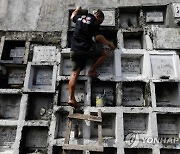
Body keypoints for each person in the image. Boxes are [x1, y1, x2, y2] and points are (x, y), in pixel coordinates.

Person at [68, 7, 116, 108]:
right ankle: (91, 71)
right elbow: (98, 37)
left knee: (74, 73)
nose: (100, 23)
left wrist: (77, 9)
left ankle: (71, 98)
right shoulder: (94, 21)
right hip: (86, 49)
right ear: (98, 16)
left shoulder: (80, 18)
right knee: (105, 53)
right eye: (101, 21)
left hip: (74, 50)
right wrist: (109, 43)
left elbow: (72, 16)